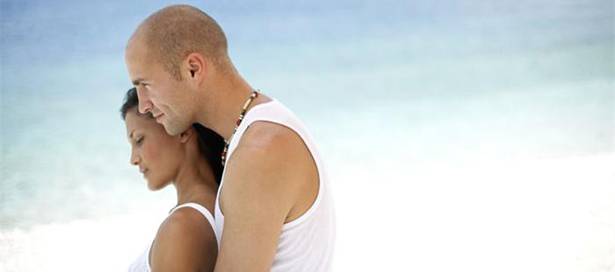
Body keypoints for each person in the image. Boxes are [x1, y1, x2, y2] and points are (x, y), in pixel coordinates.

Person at [125, 4, 335, 271]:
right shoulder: (250, 139)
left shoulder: (260, 150)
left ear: (193, 69)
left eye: (145, 85)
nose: (143, 105)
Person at [121, 87, 223, 272]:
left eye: (139, 140)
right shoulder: (218, 207)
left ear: (182, 131)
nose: (133, 159)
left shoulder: (183, 226)